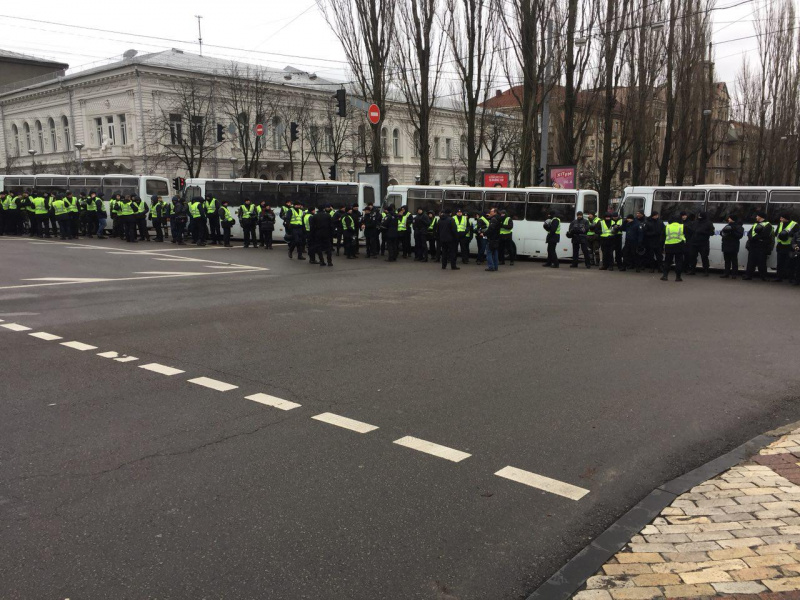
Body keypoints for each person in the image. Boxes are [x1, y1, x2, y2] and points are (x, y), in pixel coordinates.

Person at [743, 211, 773, 281]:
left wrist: (753, 238)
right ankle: (748, 275)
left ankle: (764, 276)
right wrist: (750, 237)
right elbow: (750, 232)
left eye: (757, 216)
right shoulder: (755, 224)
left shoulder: (768, 225)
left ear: (761, 217)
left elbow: (764, 235)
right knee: (751, 261)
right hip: (753, 245)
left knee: (761, 262)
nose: (756, 217)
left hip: (761, 246)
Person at [687, 211, 714, 276]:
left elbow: (712, 233)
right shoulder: (695, 222)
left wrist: (703, 232)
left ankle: (706, 271)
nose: (699, 217)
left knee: (704, 257)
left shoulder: (709, 223)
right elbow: (692, 231)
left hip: (703, 243)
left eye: (700, 216)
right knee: (692, 257)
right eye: (699, 215)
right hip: (694, 243)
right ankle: (692, 270)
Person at [774, 214, 797, 282]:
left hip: (789, 246)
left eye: (782, 218)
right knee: (780, 263)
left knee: (790, 263)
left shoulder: (794, 224)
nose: (780, 219)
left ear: (786, 218)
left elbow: (796, 235)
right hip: (780, 246)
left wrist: (788, 234)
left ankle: (791, 278)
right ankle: (779, 277)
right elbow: (776, 233)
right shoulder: (780, 224)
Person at [485, 207, 501, 272]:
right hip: (497, 238)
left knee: (489, 252)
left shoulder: (493, 219)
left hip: (492, 238)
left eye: (491, 211)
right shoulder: (498, 218)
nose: (490, 212)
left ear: (495, 212)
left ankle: (491, 267)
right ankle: (496, 267)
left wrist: (484, 233)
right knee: (495, 253)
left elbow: (491, 229)